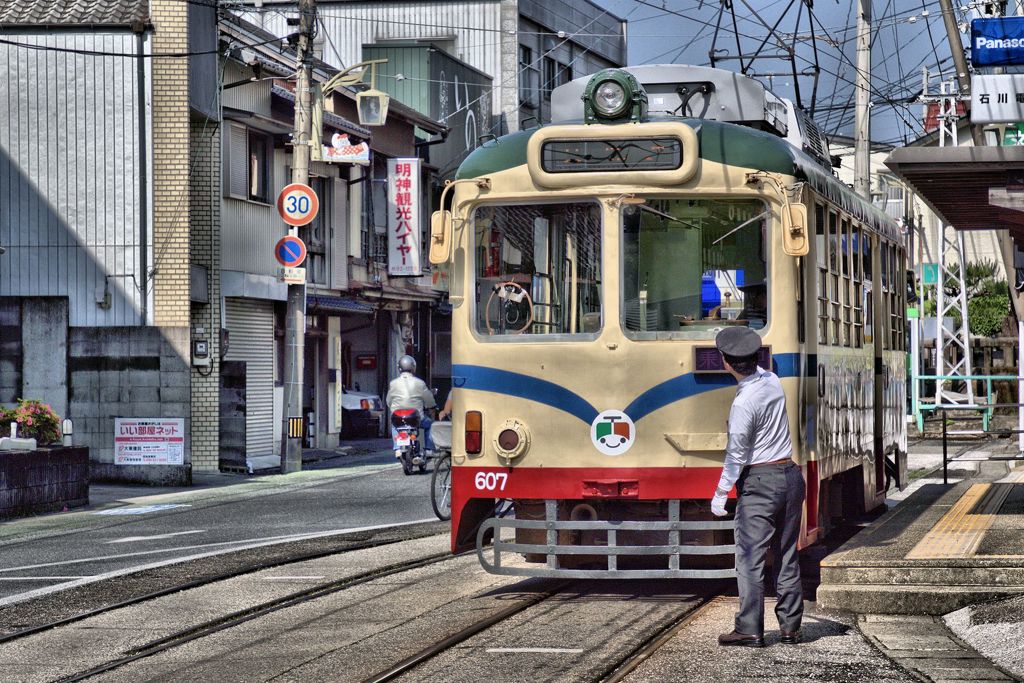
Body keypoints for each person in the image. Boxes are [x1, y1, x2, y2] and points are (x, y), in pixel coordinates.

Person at [711, 326, 805, 648]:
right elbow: (759, 368)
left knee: (750, 558)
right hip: (791, 476)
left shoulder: (743, 405)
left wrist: (721, 494)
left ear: (726, 362)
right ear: (756, 359)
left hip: (761, 482)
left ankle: (750, 628)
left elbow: (736, 455)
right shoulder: (772, 382)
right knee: (787, 554)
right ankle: (791, 627)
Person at [385, 355, 437, 460]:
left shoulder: (393, 383)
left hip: (399, 419)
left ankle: (397, 449)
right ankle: (428, 449)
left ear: (399, 367)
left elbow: (388, 401)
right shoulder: (420, 383)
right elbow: (429, 400)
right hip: (416, 418)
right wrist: (432, 407)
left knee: (395, 426)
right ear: (413, 367)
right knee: (430, 425)